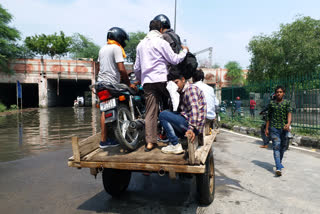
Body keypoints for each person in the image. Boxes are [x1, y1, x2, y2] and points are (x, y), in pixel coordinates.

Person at [134, 20, 188, 152]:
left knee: (150, 112)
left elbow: (136, 67)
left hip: (147, 82)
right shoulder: (161, 42)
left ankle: (150, 143)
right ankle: (173, 137)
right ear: (161, 29)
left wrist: (140, 80)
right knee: (172, 104)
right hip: (162, 79)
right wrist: (184, 52)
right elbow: (174, 59)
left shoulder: (140, 45)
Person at [97, 27, 136, 148]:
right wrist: (128, 83)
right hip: (112, 84)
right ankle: (133, 123)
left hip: (101, 83)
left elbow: (100, 68)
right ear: (119, 37)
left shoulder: (102, 49)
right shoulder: (117, 48)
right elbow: (121, 69)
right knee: (132, 94)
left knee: (104, 110)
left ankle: (104, 141)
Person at [159, 74, 207, 154]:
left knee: (163, 115)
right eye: (173, 84)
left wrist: (191, 128)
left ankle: (175, 145)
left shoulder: (191, 89)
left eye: (176, 82)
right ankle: (178, 140)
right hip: (191, 125)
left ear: (183, 79)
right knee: (167, 113)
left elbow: (194, 110)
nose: (176, 86)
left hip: (194, 127)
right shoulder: (181, 91)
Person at [265, 85, 292, 176]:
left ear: (283, 93)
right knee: (276, 146)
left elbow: (289, 113)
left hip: (284, 128)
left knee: (283, 147)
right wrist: (266, 128)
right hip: (274, 128)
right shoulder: (271, 104)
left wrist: (288, 124)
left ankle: (278, 163)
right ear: (275, 94)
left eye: (280, 92)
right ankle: (278, 167)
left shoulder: (287, 103)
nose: (279, 93)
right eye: (277, 92)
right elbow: (268, 117)